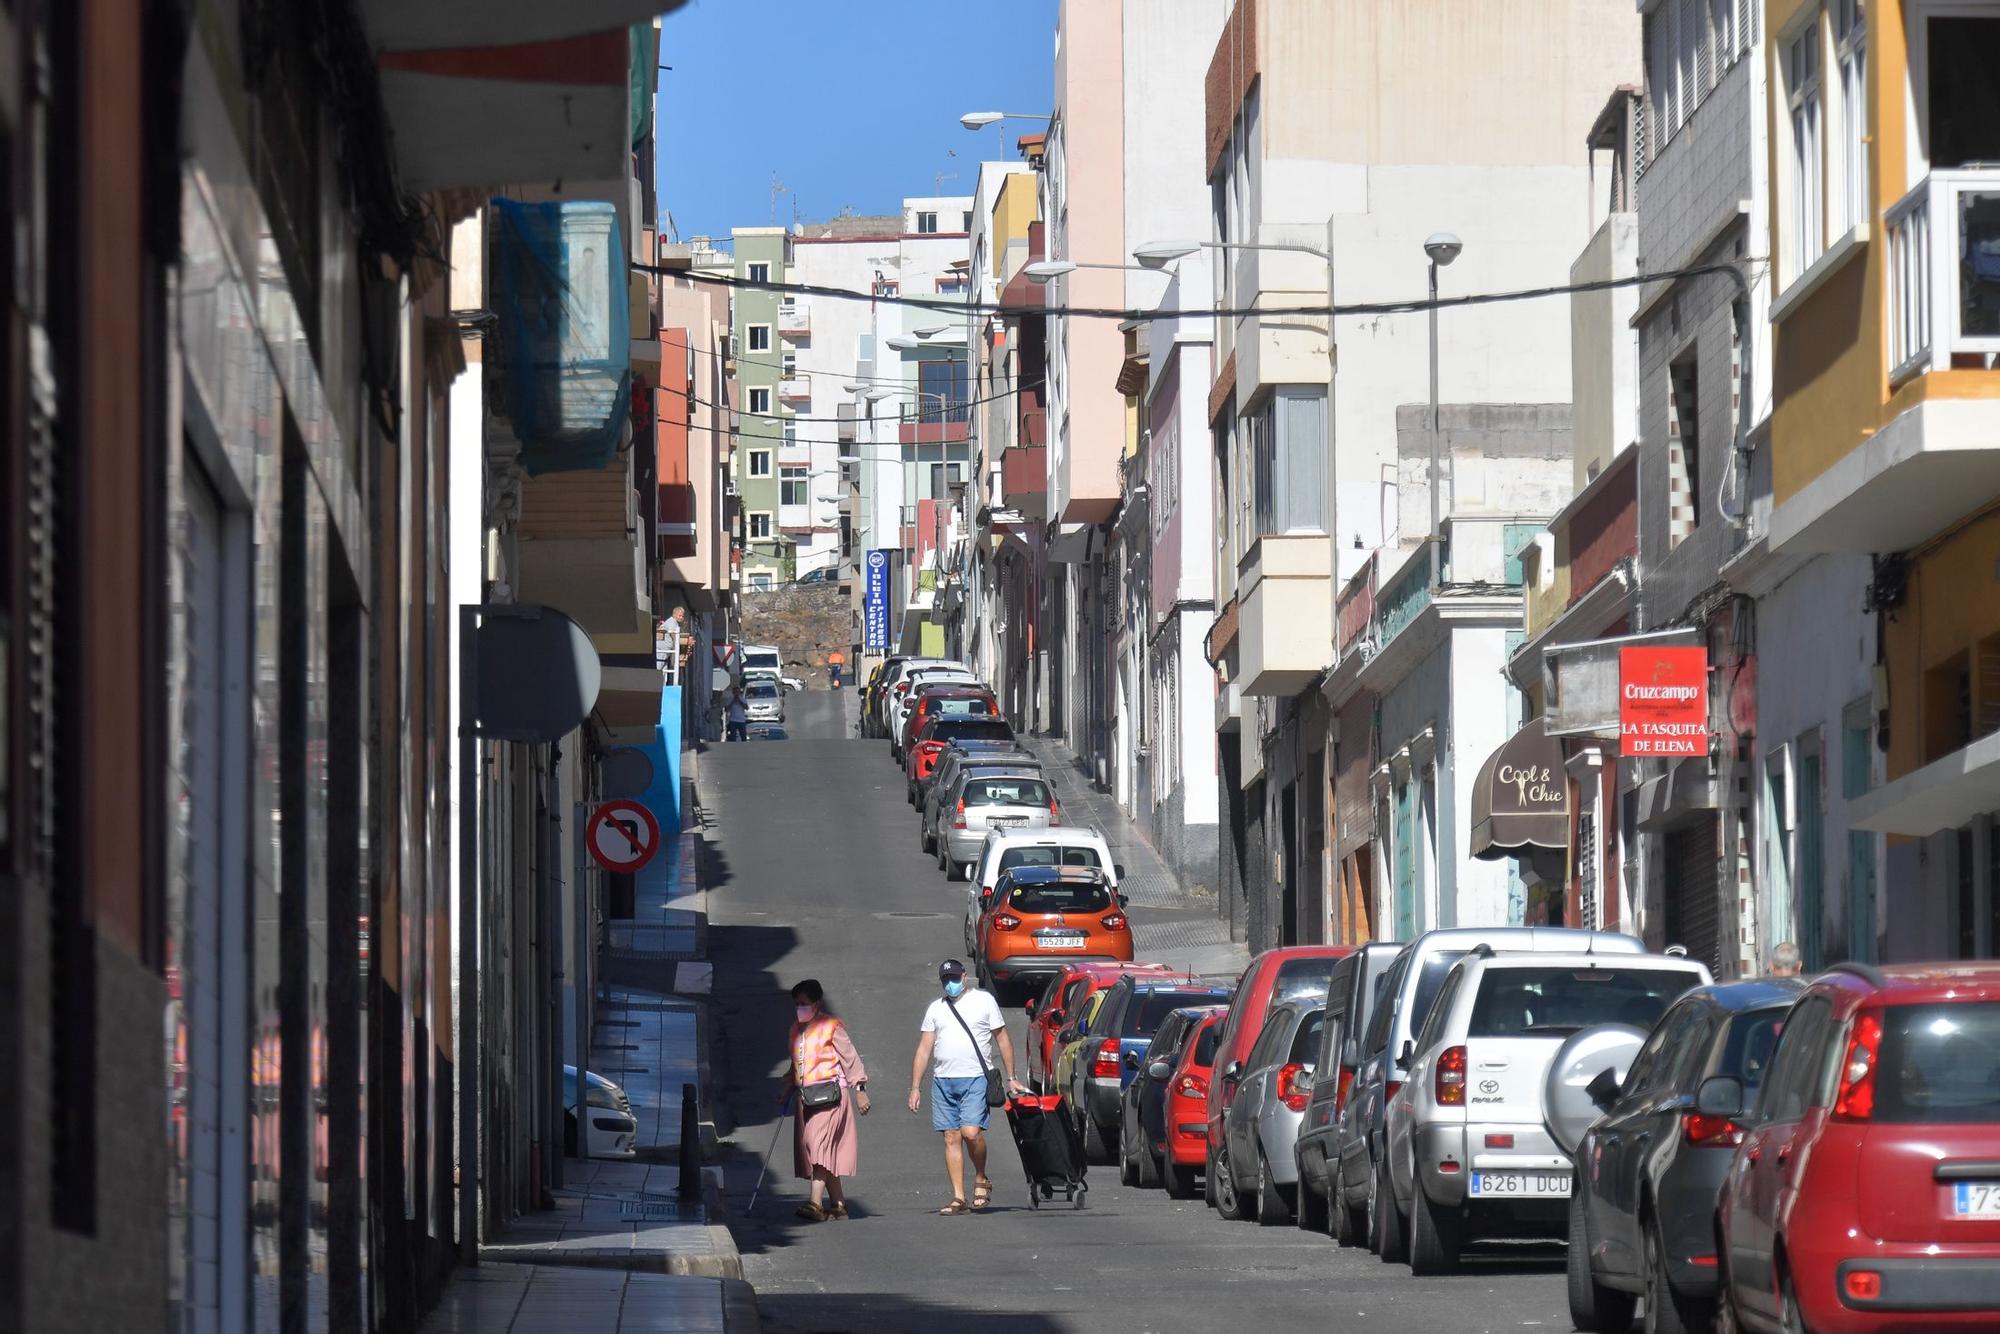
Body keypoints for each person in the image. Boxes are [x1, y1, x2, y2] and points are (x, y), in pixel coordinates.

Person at [907, 959, 1025, 1215]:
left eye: (954, 978)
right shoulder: (935, 1009)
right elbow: (924, 1048)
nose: (950, 984)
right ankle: (959, 1197)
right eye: (945, 980)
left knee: (971, 1133)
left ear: (965, 977)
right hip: (943, 1081)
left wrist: (1011, 1076)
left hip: (975, 1078)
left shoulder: (984, 1001)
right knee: (951, 1137)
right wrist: (915, 1087)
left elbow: (1002, 1038)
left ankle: (981, 1176)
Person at [779, 979, 868, 1222]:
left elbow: (850, 1058)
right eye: (796, 1004)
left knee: (816, 1145)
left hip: (830, 1096)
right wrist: (787, 1087)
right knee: (823, 1149)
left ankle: (815, 1203)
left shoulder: (831, 1026)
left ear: (817, 1003)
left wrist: (860, 1089)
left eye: (804, 1003)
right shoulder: (796, 1030)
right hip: (806, 1098)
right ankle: (838, 1204)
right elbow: (797, 1063)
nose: (800, 1008)